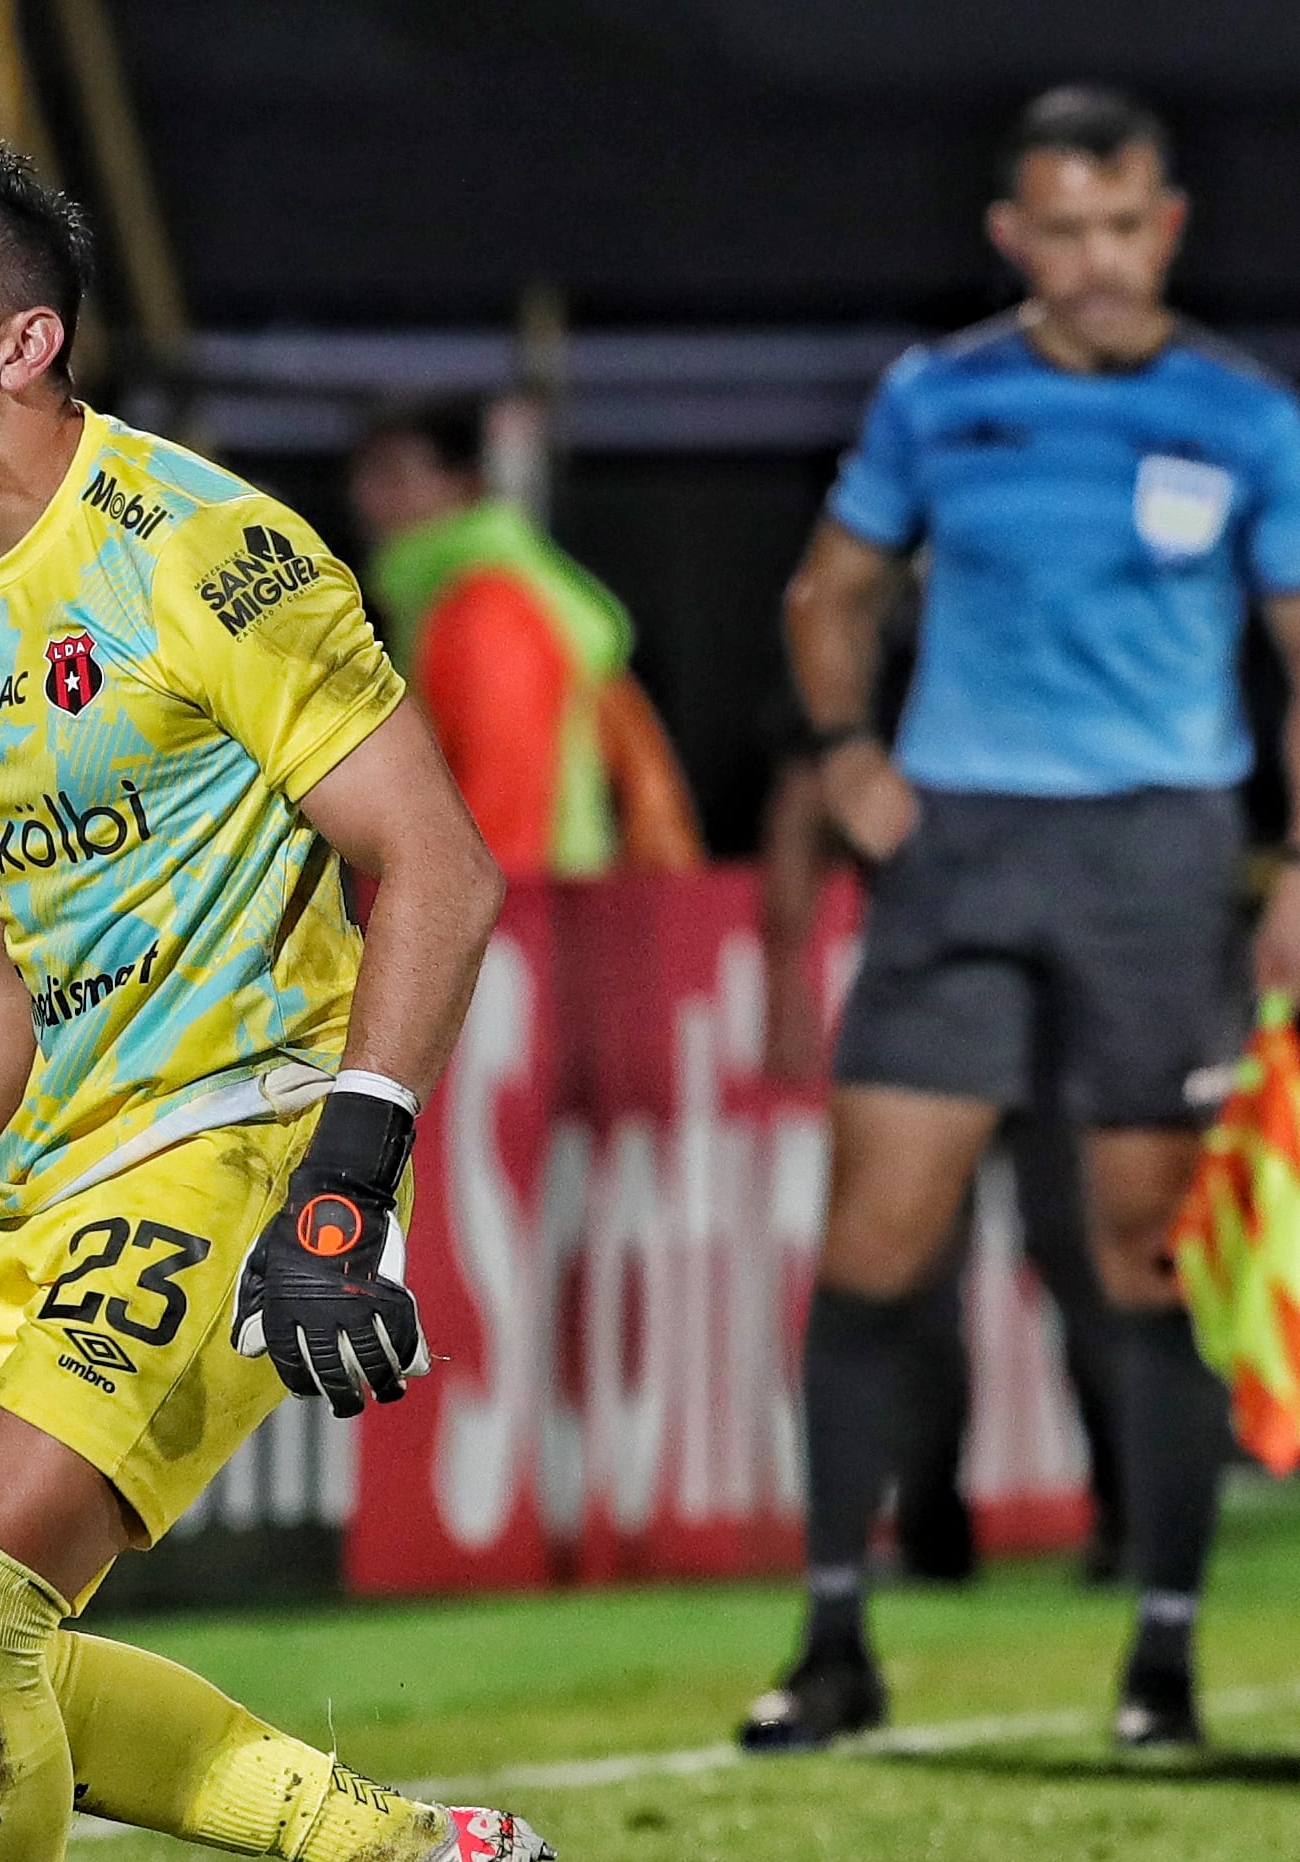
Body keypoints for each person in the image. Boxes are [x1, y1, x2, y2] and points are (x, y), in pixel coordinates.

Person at [0, 135, 550, 1862]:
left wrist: (347, 1183)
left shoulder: (201, 551)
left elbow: (436, 865)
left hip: (240, 1136)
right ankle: (401, 1853)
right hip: (60, 1174)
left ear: (23, 344)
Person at [741, 85, 1300, 1754]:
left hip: (1153, 859)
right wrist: (845, 758)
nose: (1095, 259)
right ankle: (833, 1637)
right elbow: (823, 592)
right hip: (962, 852)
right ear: (1010, 236)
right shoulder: (941, 397)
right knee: (872, 1244)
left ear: (1167, 226)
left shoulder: (1241, 414)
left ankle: (1162, 1654)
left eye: (1122, 225)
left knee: (1141, 1255)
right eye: (1060, 229)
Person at [757, 634, 1126, 1592]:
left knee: (1082, 1255)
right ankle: (930, 1525)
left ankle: (1128, 1512)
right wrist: (791, 983)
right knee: (909, 1269)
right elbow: (805, 801)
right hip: (942, 999)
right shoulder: (881, 647)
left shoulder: (1058, 634)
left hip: (1065, 1002)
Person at [348, 398, 700, 879]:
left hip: (534, 907)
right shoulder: (442, 600)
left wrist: (486, 919)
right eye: (365, 476)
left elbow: (506, 793)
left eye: (395, 475)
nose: (367, 498)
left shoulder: (486, 607)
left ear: (465, 486)